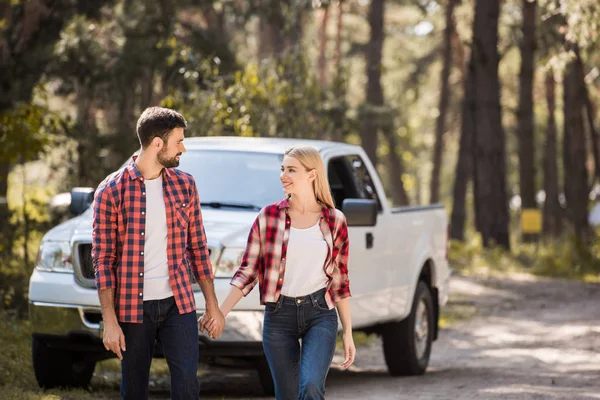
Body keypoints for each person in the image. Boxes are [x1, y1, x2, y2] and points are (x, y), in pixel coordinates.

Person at [92, 107, 225, 400]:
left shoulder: (184, 185)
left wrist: (212, 305)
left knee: (187, 384)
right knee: (135, 388)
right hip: (132, 307)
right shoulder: (111, 191)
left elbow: (198, 248)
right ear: (156, 144)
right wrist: (110, 321)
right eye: (178, 142)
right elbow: (103, 261)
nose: (183, 148)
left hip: (178, 302)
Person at [204, 145, 356, 400]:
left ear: (311, 174)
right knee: (286, 394)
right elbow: (248, 271)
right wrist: (220, 313)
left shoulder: (335, 220)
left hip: (320, 313)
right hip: (279, 315)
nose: (283, 175)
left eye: (291, 170)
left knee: (310, 386)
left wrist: (348, 332)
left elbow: (340, 280)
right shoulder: (269, 217)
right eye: (283, 169)